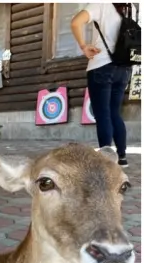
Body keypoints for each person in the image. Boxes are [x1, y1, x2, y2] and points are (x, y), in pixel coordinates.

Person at [71, 3, 133, 167]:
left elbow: (75, 22)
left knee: (103, 114)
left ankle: (106, 161)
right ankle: (122, 157)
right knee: (114, 112)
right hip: (124, 68)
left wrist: (84, 46)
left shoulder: (101, 4)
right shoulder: (131, 6)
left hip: (102, 65)